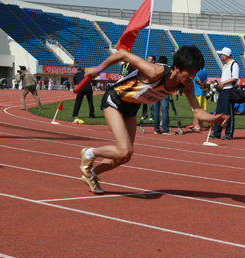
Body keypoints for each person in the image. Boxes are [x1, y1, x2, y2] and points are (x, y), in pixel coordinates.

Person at [79, 45, 228, 194]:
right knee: (124, 150)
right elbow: (123, 54)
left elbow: (197, 111)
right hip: (115, 100)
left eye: (195, 73)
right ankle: (89, 153)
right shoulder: (155, 72)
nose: (191, 77)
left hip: (131, 108)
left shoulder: (186, 85)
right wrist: (98, 69)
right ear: (176, 67)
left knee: (125, 156)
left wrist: (213, 118)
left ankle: (91, 175)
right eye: (189, 72)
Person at [209, 47, 239, 140]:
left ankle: (229, 133)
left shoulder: (234, 64)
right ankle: (217, 132)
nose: (221, 56)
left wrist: (223, 83)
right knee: (219, 112)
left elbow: (234, 78)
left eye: (222, 54)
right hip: (223, 91)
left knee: (228, 113)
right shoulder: (225, 65)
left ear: (226, 55)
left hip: (229, 91)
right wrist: (220, 84)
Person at [151, 55, 174, 135]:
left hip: (154, 90)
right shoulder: (168, 68)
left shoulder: (154, 67)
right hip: (164, 91)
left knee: (156, 110)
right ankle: (165, 129)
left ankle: (156, 129)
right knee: (164, 110)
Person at [187, 67, 208, 131]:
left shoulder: (196, 70)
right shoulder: (204, 70)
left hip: (196, 92)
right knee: (201, 109)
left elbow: (197, 80)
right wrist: (203, 86)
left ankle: (197, 125)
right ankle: (200, 125)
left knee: (195, 109)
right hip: (202, 92)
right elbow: (205, 80)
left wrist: (201, 85)